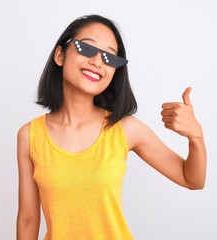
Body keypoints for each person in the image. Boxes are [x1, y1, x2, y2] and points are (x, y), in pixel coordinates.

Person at [16, 14, 206, 240]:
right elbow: (28, 218)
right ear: (60, 55)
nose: (98, 62)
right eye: (86, 49)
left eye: (109, 58)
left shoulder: (125, 129)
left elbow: (192, 179)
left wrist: (196, 137)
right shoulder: (30, 135)